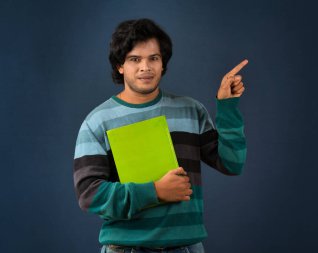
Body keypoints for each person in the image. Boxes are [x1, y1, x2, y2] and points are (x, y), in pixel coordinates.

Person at [73, 18, 247, 253]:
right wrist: (154, 191)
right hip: (126, 248)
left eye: (153, 58)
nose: (146, 67)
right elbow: (89, 194)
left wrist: (228, 106)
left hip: (186, 248)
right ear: (120, 66)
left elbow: (232, 163)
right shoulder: (97, 121)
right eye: (135, 59)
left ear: (163, 63)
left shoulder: (191, 110)